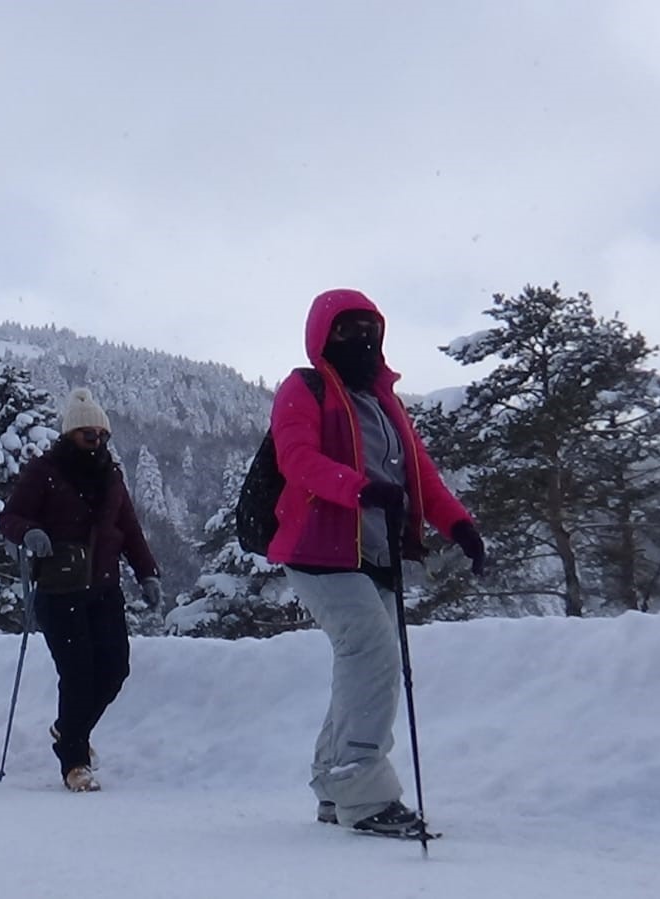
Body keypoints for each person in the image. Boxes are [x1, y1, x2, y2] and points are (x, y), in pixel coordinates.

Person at [268, 288, 487, 837]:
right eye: (348, 329)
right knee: (371, 655)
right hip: (318, 549)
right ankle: (363, 795)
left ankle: (333, 785)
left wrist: (460, 526)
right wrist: (359, 488)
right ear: (322, 336)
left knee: (365, 664)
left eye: (371, 329)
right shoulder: (304, 388)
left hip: (377, 553)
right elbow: (296, 460)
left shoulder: (387, 403)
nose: (362, 339)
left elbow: (422, 478)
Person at [0, 388, 161, 792]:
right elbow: (10, 517)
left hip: (104, 588)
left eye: (103, 435)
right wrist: (30, 531)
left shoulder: (112, 476)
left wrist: (147, 573)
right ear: (70, 434)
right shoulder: (45, 471)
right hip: (60, 588)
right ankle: (74, 761)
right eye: (89, 435)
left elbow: (129, 531)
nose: (97, 442)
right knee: (77, 674)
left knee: (115, 669)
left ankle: (66, 729)